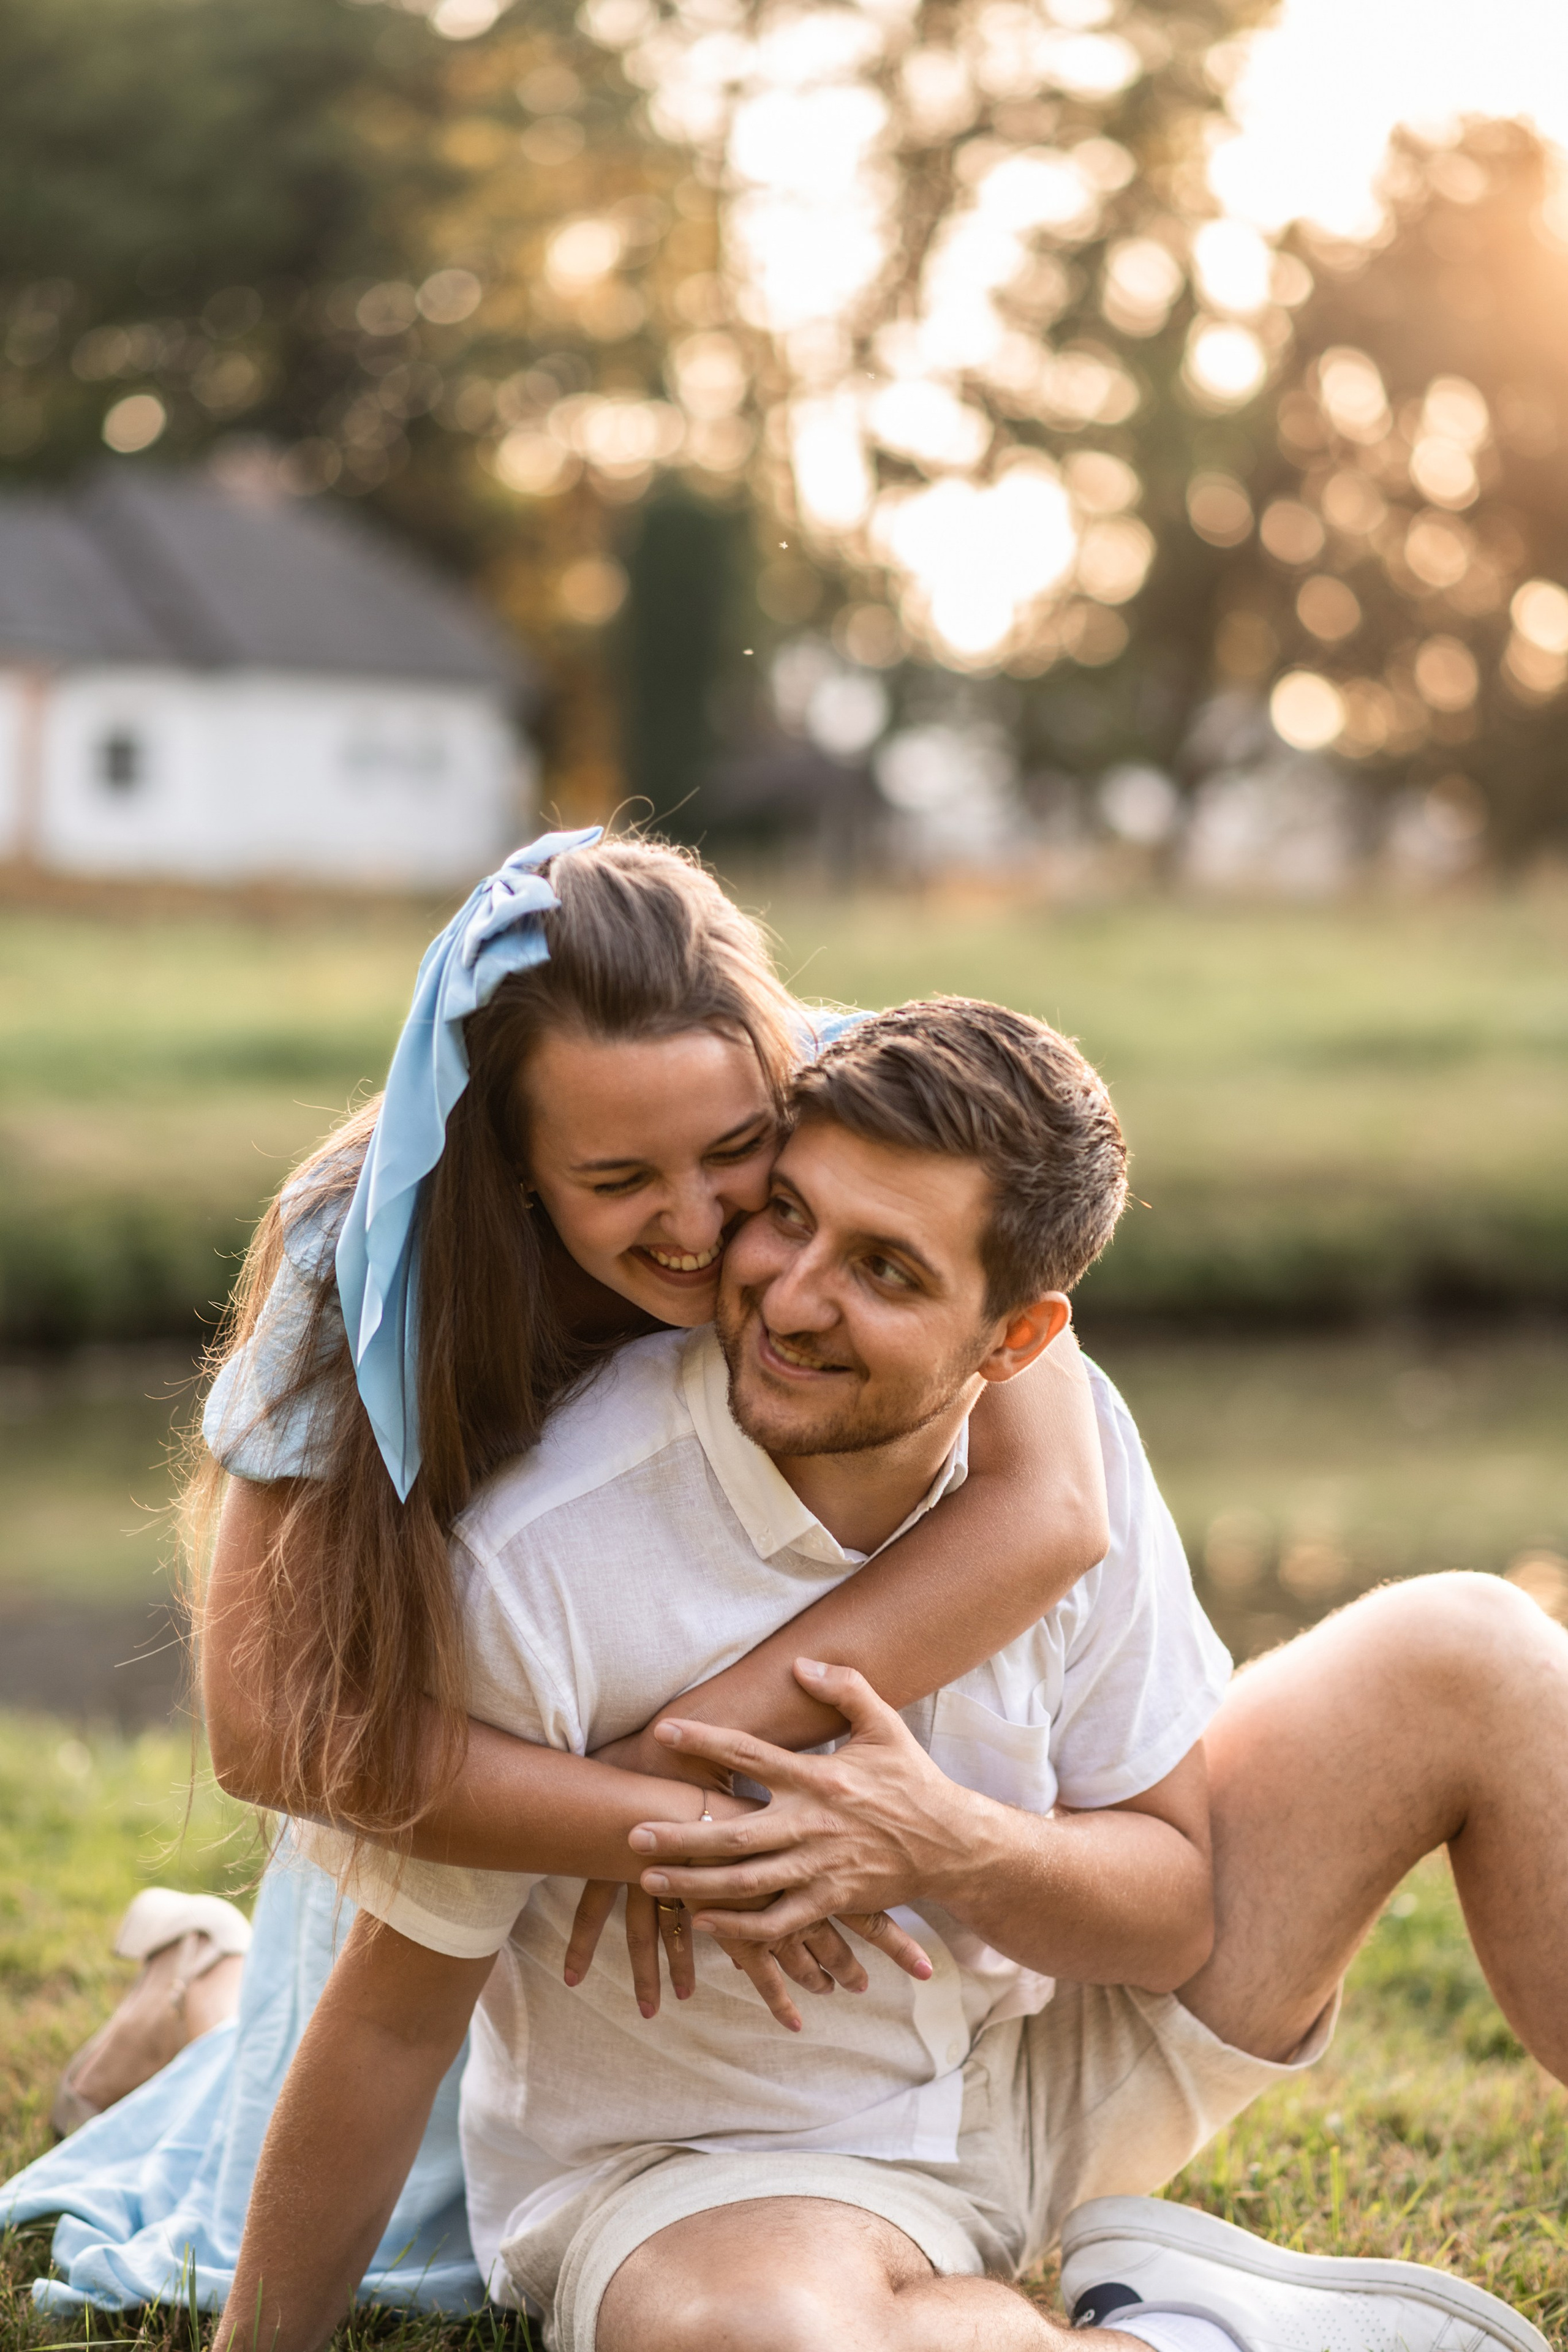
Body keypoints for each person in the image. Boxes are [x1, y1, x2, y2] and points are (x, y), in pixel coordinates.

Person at [214, 997, 1564, 2352]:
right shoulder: (544, 1558)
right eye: (787, 1215)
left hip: (1045, 2066)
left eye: (887, 1271)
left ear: (1015, 1341)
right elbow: (389, 2027)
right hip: (726, 2168)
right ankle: (1189, 2333)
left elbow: (1170, 1913)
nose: (793, 1296)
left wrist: (946, 1846)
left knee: (1479, 1646)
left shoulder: (1066, 1448)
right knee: (773, 2341)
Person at [1, 831, 1111, 2312]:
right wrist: (662, 1821)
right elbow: (266, 1728)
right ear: (512, 1166)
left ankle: (197, 1979)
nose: (711, 1226)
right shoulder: (371, 1250)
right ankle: (197, 1989)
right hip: (468, 1765)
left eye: (734, 1155)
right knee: (346, 2159)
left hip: (629, 1740)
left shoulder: (860, 1115)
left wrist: (685, 1751)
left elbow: (1044, 1511)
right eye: (615, 1179)